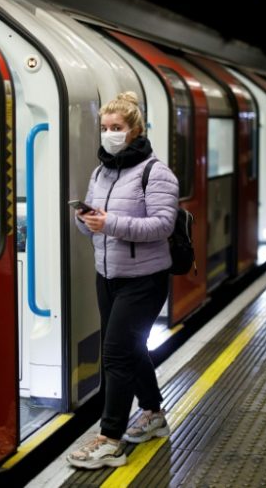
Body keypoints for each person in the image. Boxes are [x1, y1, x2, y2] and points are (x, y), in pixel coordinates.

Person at [68, 92, 178, 469]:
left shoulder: (155, 172)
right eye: (105, 128)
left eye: (117, 128)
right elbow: (94, 227)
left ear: (135, 131)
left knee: (114, 353)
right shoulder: (101, 172)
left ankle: (110, 440)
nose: (110, 134)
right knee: (130, 349)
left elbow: (163, 225)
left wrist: (110, 223)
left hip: (145, 279)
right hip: (108, 276)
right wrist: (85, 220)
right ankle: (153, 413)